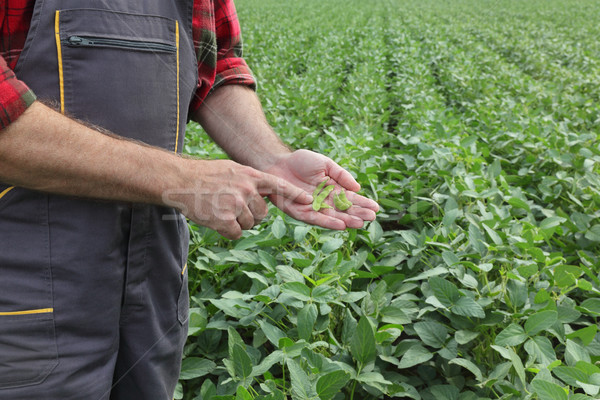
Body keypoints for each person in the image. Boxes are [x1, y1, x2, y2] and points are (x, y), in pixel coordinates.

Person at [0, 1, 379, 399]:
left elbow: (216, 65)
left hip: (154, 283)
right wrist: (182, 177)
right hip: (23, 290)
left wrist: (271, 158)